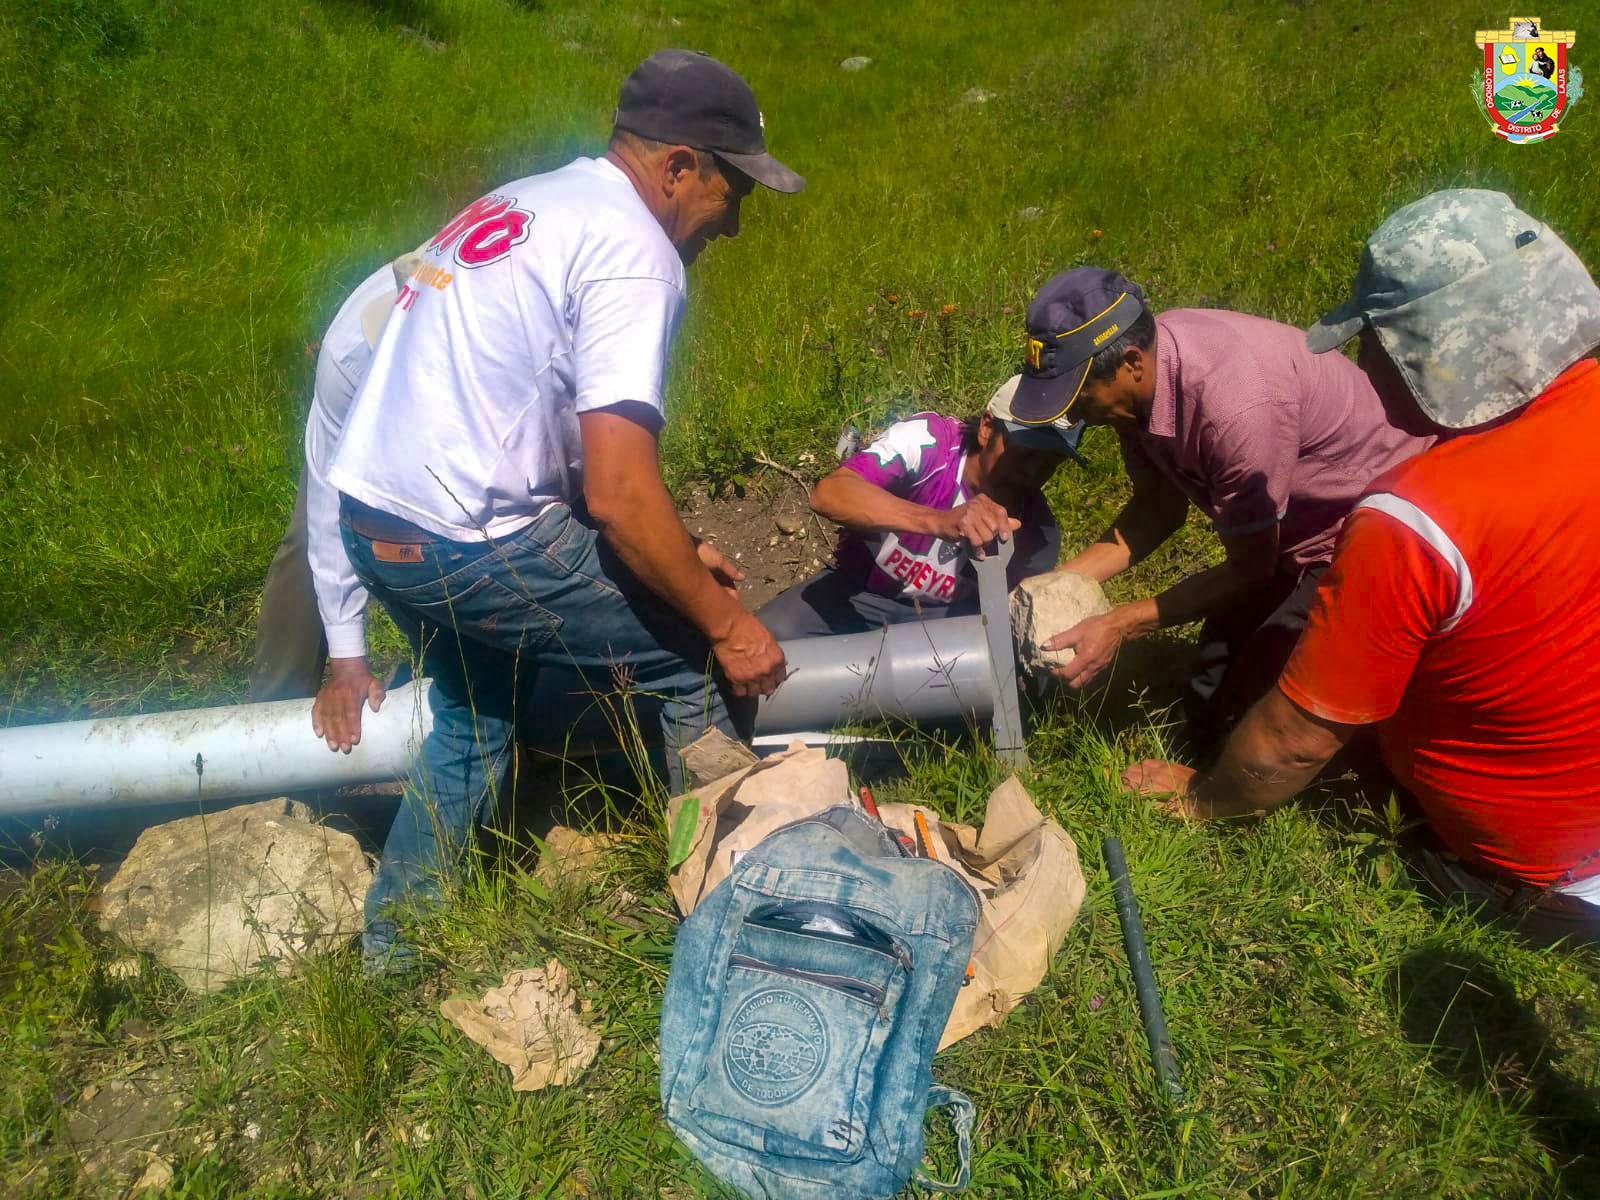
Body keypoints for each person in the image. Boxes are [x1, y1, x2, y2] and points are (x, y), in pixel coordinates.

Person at [308, 49, 804, 963]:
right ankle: (743, 923)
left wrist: (680, 549)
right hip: (470, 540)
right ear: (679, 167)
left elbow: (551, 427)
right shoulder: (634, 253)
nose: (731, 227)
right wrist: (725, 622)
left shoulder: (531, 199)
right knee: (688, 655)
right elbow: (616, 493)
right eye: (733, 195)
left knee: (473, 717)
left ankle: (395, 960)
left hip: (378, 525)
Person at [1124, 189, 1600, 942]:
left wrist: (1203, 797)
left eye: (1373, 337)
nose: (1362, 359)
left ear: (1438, 348)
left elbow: (1294, 740)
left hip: (1528, 870)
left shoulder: (1417, 518)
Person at [1008, 268, 1434, 746]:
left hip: (1369, 527)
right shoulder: (1141, 384)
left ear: (1130, 363)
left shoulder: (1235, 408)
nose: (1072, 414)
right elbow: (1158, 509)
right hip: (1282, 527)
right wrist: (1051, 586)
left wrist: (1121, 623)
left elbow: (1251, 569)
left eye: (1078, 396)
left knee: (1255, 719)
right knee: (1209, 683)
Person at [755, 376, 1079, 640]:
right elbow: (831, 493)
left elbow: (1005, 624)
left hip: (945, 623)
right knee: (763, 639)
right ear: (986, 428)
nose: (1034, 471)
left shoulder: (1036, 532)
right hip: (857, 591)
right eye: (1026, 450)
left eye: (1051, 462)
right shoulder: (929, 444)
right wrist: (938, 521)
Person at [247, 255, 415, 702]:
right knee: (310, 542)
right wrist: (348, 658)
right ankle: (272, 715)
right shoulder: (351, 352)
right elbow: (326, 505)